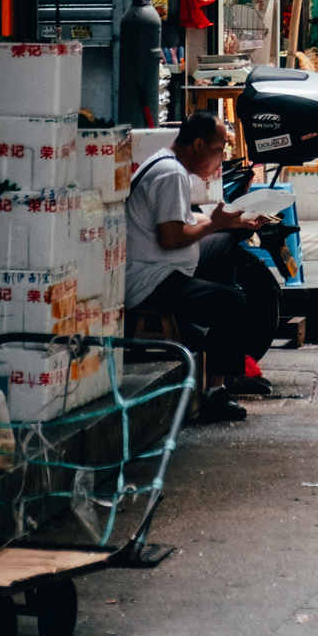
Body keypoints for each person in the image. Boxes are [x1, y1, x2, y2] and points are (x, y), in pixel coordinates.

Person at [125, 113, 270, 424]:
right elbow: (172, 237)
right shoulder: (171, 175)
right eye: (219, 150)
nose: (221, 160)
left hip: (165, 266)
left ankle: (224, 365)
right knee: (233, 301)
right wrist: (214, 224)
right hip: (151, 279)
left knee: (225, 246)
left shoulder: (167, 164)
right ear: (199, 145)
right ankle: (215, 392)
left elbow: (184, 223)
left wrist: (229, 222)